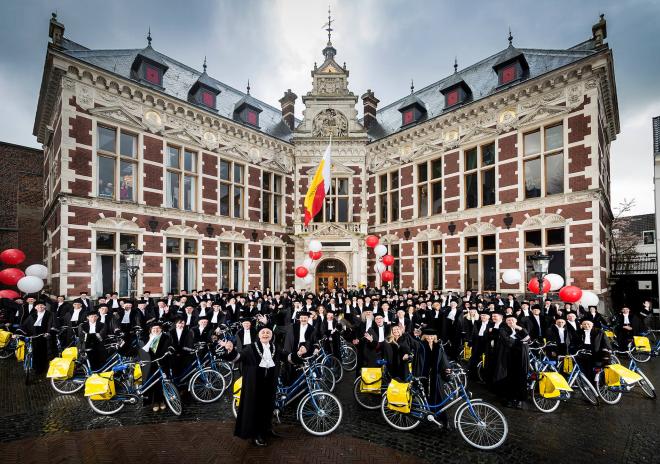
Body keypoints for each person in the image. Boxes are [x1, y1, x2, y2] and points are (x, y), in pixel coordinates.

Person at [219, 327, 283, 447]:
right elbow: (238, 357)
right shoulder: (251, 348)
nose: (265, 334)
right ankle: (256, 435)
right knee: (256, 409)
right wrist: (231, 350)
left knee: (268, 406)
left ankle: (267, 429)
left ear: (271, 335)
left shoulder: (275, 347)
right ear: (259, 335)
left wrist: (299, 353)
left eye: (268, 332)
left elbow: (287, 356)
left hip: (269, 383)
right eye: (263, 332)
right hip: (255, 384)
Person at [493, 314, 530, 409]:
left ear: (516, 321)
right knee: (509, 378)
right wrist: (521, 342)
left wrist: (519, 329)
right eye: (508, 320)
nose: (511, 322)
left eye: (512, 320)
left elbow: (528, 339)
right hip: (508, 356)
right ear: (506, 322)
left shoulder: (520, 328)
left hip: (521, 356)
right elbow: (508, 341)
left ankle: (521, 400)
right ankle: (509, 399)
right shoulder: (503, 329)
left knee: (521, 377)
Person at [138, 322, 173, 412]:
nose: (156, 330)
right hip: (150, 363)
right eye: (154, 328)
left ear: (161, 329)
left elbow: (169, 347)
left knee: (162, 383)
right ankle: (154, 402)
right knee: (152, 384)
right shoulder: (145, 337)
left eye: (158, 328)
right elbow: (144, 350)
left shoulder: (166, 337)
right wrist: (151, 339)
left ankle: (162, 401)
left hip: (162, 362)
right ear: (150, 330)